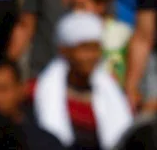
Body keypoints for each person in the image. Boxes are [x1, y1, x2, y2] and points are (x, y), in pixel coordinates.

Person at [32, 11, 134, 149]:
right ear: (64, 50)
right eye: (85, 48)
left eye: (95, 48)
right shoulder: (40, 91)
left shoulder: (108, 89)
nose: (91, 56)